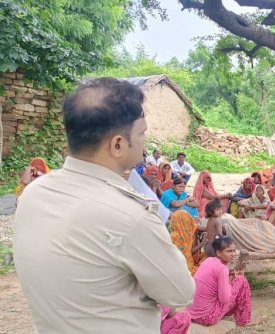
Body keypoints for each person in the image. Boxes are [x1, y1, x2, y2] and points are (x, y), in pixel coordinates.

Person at [13, 78, 194, 332]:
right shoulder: (130, 217)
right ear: (117, 144)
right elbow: (181, 293)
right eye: (142, 133)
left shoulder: (33, 194)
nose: (144, 142)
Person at [188, 235, 252, 326]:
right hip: (206, 317)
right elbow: (225, 299)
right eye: (229, 251)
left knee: (236, 279)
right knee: (241, 280)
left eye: (234, 250)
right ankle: (243, 320)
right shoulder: (222, 269)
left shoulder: (208, 260)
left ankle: (240, 317)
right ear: (218, 253)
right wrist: (229, 281)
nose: (233, 254)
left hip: (192, 314)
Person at [169, 211, 205, 275]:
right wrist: (202, 244)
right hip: (183, 267)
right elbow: (187, 253)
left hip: (187, 263)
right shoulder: (176, 237)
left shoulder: (185, 230)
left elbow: (197, 227)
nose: (190, 224)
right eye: (188, 221)